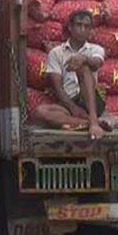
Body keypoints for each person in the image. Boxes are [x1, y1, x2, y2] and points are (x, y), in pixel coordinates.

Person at [32, 10, 109, 140]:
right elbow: (58, 88)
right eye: (79, 25)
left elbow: (96, 63)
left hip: (92, 102)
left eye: (87, 26)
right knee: (39, 112)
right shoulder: (56, 53)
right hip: (69, 103)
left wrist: (84, 59)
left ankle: (93, 121)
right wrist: (73, 108)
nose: (82, 29)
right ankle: (87, 123)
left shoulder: (96, 49)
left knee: (83, 67)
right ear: (70, 27)